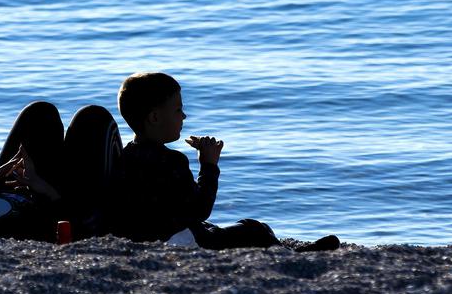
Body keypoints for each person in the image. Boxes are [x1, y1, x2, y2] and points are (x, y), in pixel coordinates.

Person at [106, 72, 338, 251]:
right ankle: (291, 256)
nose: (184, 116)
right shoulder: (171, 160)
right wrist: (209, 165)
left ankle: (285, 250)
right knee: (254, 229)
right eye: (178, 110)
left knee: (221, 229)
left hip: (146, 237)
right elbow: (200, 209)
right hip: (177, 241)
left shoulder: (127, 155)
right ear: (155, 117)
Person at [0, 101, 121, 241]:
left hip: (3, 185)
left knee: (39, 112)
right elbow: (68, 221)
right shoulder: (13, 229)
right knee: (93, 118)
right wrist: (42, 186)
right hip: (53, 197)